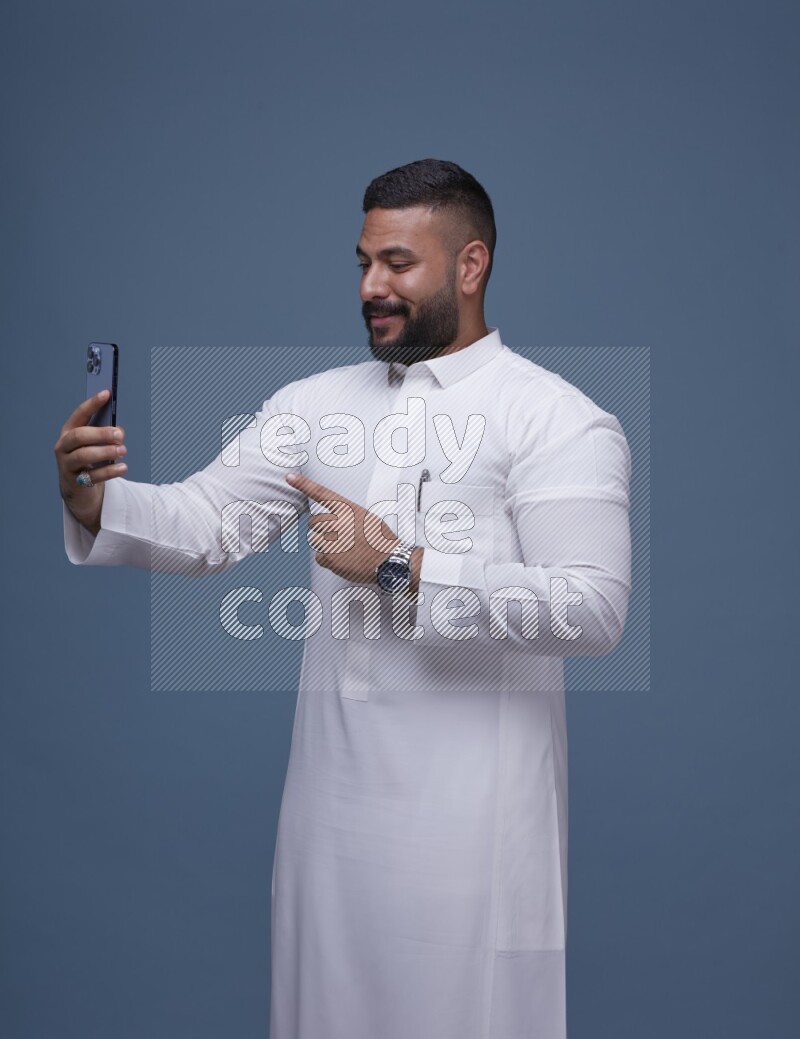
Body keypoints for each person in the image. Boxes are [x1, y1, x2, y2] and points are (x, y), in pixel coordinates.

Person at [55, 159, 632, 1039]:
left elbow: (591, 608)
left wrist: (400, 565)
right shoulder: (314, 404)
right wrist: (93, 500)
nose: (370, 287)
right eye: (363, 262)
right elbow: (206, 523)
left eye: (398, 263)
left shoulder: (555, 417)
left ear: (470, 265)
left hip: (475, 834)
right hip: (327, 824)